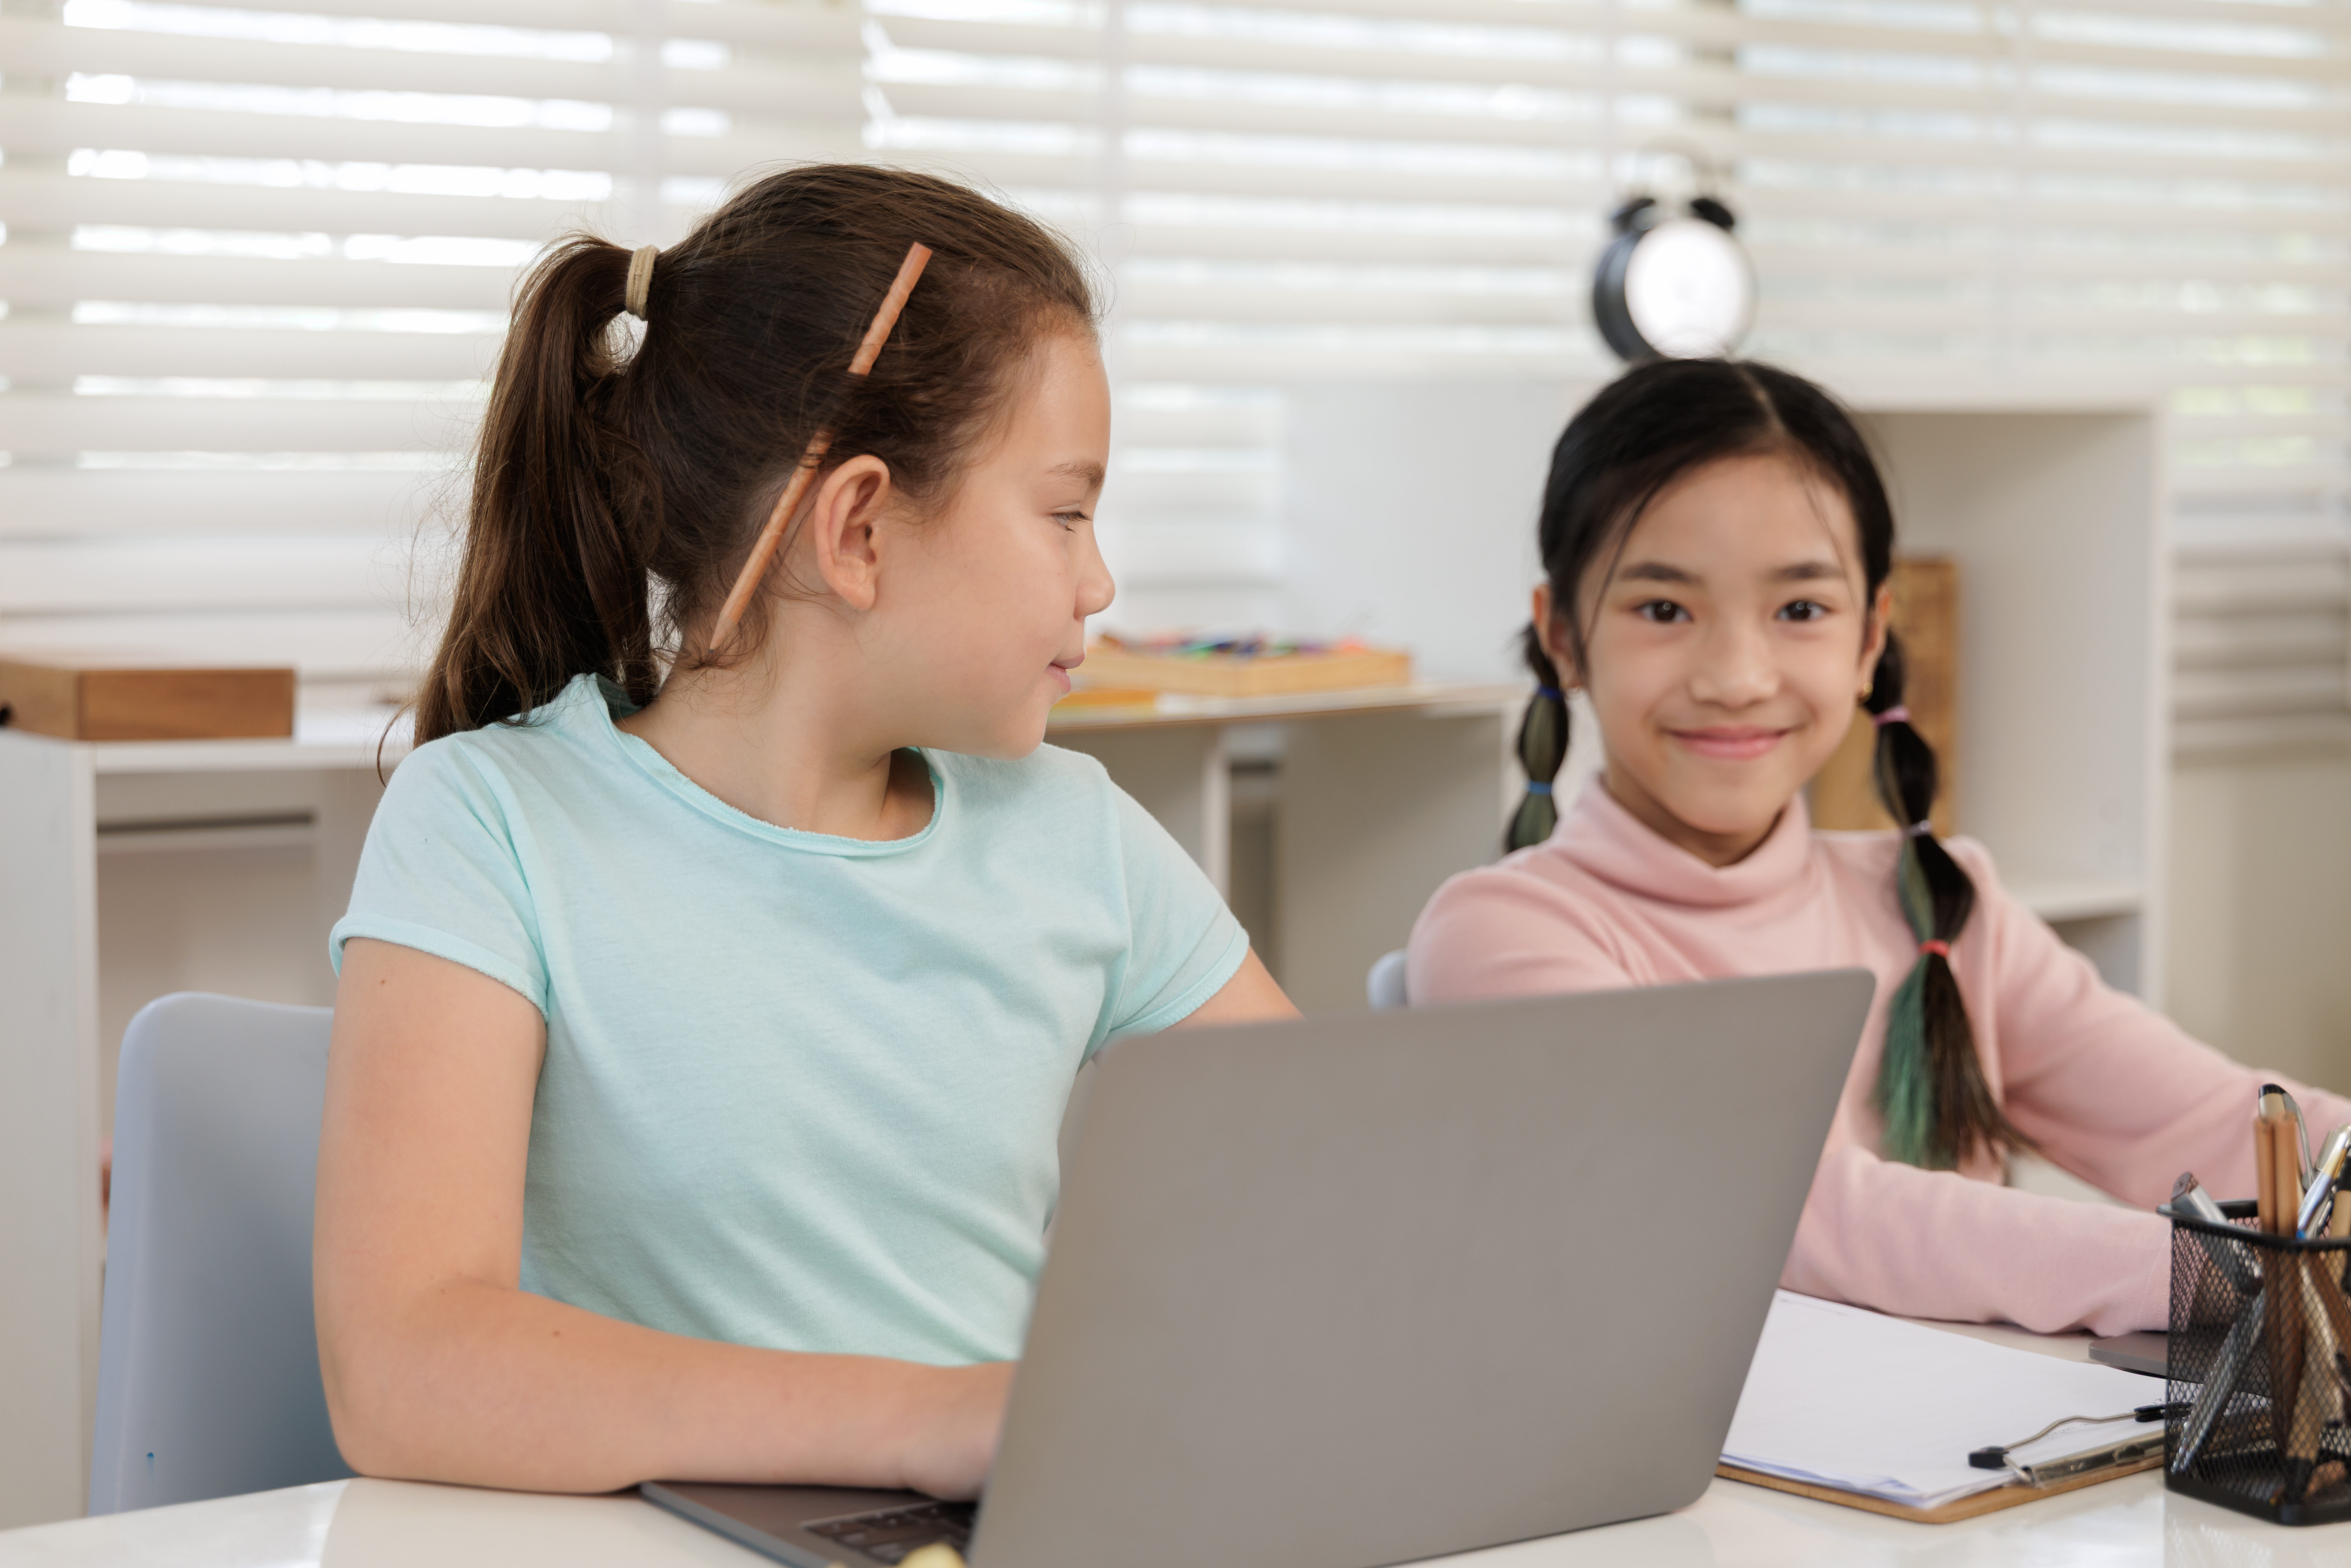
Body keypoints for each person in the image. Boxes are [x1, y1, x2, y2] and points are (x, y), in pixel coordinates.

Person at [314, 165, 1295, 1500]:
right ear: (858, 530)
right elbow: (406, 1368)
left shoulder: (1079, 839)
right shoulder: (489, 824)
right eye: (1064, 511)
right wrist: (936, 1422)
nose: (1098, 577)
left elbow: (1331, 1193)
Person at [1409, 357, 2344, 1336]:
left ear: (1869, 639)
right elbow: (1793, 1214)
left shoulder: (1939, 907)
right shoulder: (1500, 935)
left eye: (1799, 610)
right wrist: (2209, 1274)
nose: (1736, 675)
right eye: (1663, 609)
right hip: (1705, 1487)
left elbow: (2213, 1124)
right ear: (1561, 636)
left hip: (1991, 1468)